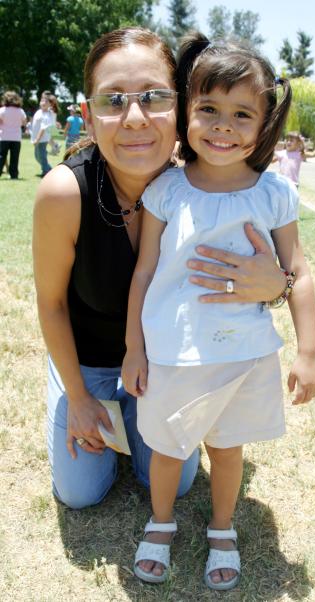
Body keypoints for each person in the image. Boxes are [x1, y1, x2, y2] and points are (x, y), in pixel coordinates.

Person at [32, 27, 289, 516]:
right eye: (113, 101)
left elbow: (279, 270)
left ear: (181, 103)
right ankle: (79, 398)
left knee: (174, 481)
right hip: (89, 363)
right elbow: (52, 303)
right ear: (88, 115)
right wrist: (80, 396)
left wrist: (279, 285)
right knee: (80, 493)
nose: (134, 119)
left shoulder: (201, 184)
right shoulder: (64, 194)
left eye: (154, 97)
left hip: (171, 362)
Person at [122, 32, 315, 590]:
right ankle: (160, 524)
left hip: (244, 355)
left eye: (241, 114)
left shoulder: (274, 193)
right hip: (172, 353)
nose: (223, 126)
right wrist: (134, 349)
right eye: (208, 109)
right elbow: (144, 273)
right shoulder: (167, 190)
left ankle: (222, 528)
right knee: (166, 447)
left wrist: (308, 353)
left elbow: (298, 273)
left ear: (264, 125)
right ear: (187, 110)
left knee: (226, 448)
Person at [0, 90, 27, 179]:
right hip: (16, 137)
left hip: (4, 137)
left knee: (1, 157)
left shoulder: (2, 110)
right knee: (14, 158)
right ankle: (14, 175)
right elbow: (24, 123)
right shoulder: (21, 111)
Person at [31, 96, 53, 177]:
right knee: (37, 157)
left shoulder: (47, 115)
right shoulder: (39, 112)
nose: (43, 103)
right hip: (37, 139)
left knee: (42, 157)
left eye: (46, 102)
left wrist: (37, 139)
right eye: (42, 101)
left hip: (42, 140)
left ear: (49, 104)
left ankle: (46, 171)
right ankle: (50, 170)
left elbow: (43, 129)